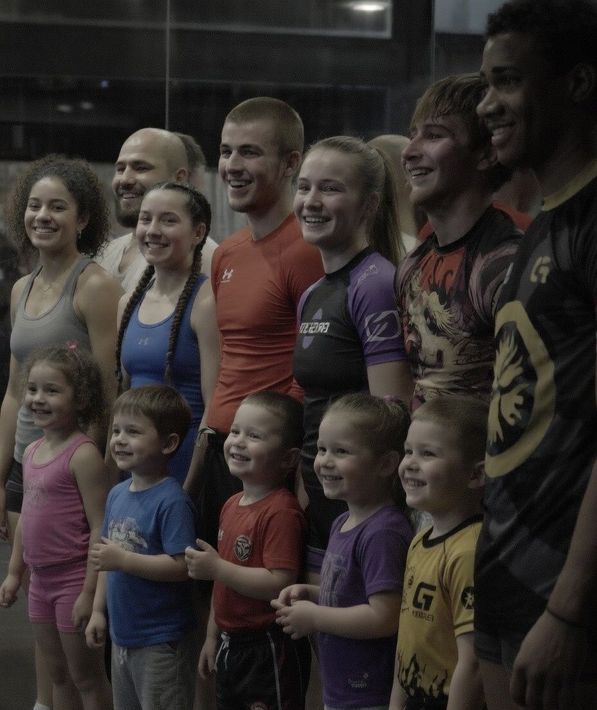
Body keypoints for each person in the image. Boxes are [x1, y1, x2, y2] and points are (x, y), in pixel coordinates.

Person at [474, 1, 597, 708]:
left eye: (508, 81)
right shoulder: (546, 220)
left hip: (564, 596)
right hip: (507, 571)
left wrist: (569, 611)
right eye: (486, 83)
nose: (487, 104)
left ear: (576, 83)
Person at [184, 97, 324, 550]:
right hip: (222, 448)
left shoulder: (307, 249)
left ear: (291, 163)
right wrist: (204, 448)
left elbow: (312, 367)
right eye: (226, 152)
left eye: (250, 152)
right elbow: (229, 361)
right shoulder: (226, 252)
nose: (232, 165)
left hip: (272, 460)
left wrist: (300, 465)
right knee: (210, 582)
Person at [292, 135, 413, 573]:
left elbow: (392, 414)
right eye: (304, 187)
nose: (311, 201)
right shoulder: (312, 294)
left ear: (370, 204)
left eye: (330, 188)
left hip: (364, 510)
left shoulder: (374, 283)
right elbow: (314, 403)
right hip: (323, 495)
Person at [273, 393, 413, 710]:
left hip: (370, 693)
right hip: (342, 688)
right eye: (322, 449)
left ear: (386, 464)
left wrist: (316, 617)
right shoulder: (342, 522)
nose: (324, 461)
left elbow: (384, 617)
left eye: (341, 451)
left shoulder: (383, 533)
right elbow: (352, 594)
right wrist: (313, 593)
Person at [396, 73, 521, 410]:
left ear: (486, 153)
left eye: (434, 135)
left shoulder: (505, 265)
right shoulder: (411, 265)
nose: (409, 151)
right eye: (413, 135)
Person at [0, 345, 113, 710]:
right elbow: (26, 519)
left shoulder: (83, 454)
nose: (38, 398)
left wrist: (89, 592)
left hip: (72, 580)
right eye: (33, 389)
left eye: (51, 390)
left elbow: (100, 527)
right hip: (40, 582)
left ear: (80, 399)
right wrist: (14, 573)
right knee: (58, 674)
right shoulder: (31, 451)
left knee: (86, 677)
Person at [185, 391, 310, 710]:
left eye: (254, 436)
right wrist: (212, 637)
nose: (238, 442)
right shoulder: (230, 504)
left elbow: (279, 583)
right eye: (235, 431)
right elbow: (223, 584)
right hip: (231, 642)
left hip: (267, 646)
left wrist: (218, 568)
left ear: (288, 458)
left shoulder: (281, 512)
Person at [85, 385, 199, 710]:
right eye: (116, 430)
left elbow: (182, 566)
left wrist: (124, 560)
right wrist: (98, 610)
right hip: (122, 636)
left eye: (133, 432)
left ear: (168, 443)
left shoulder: (172, 501)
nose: (119, 439)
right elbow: (106, 560)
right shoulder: (117, 493)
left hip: (161, 641)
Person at [115, 181, 219, 486]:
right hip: (134, 473)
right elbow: (122, 398)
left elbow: (214, 407)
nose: (153, 230)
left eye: (168, 220)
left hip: (184, 470)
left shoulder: (208, 302)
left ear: (198, 233)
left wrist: (190, 487)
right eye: (145, 219)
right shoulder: (127, 303)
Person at [98, 127, 218, 291]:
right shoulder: (106, 252)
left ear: (179, 179)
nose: (125, 179)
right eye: (120, 169)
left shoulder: (202, 257)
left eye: (141, 168)